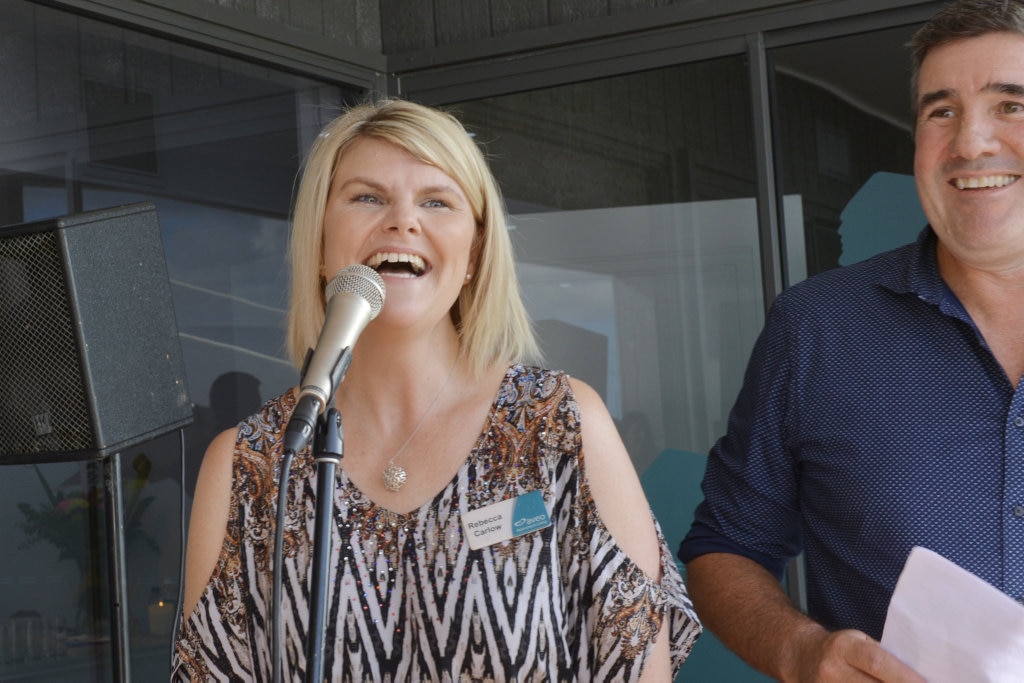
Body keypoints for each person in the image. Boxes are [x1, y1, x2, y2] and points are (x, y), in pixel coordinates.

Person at [172, 98, 700, 681]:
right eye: (367, 197)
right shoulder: (250, 465)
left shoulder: (562, 424)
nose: (403, 221)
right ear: (321, 243)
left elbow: (637, 661)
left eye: (437, 201)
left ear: (474, 253)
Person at [679, 0, 1024, 680]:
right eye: (941, 111)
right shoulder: (815, 330)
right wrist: (798, 648)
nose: (972, 141)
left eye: (1011, 105)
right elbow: (725, 545)